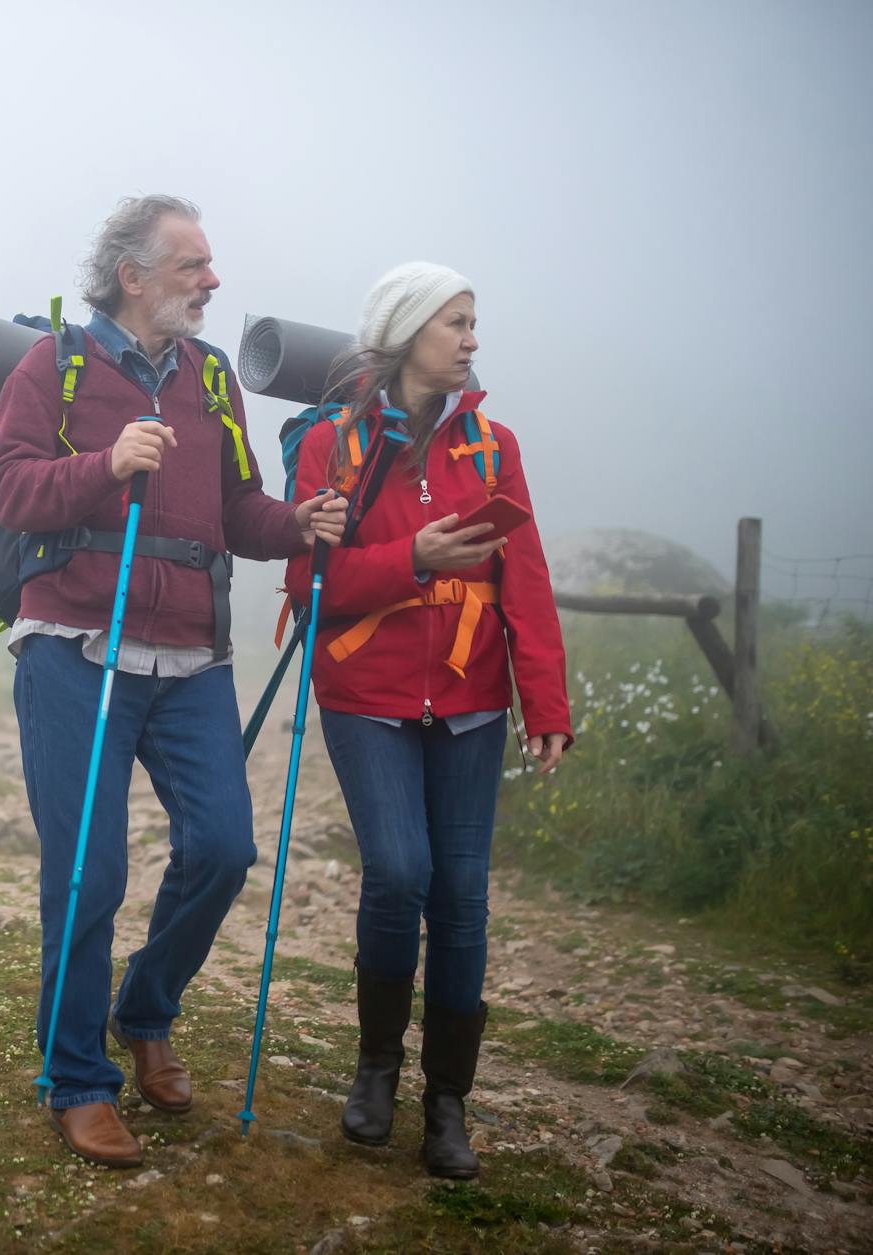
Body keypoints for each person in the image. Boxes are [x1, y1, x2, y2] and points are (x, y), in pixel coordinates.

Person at [0, 195, 345, 1168]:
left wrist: (296, 523)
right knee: (89, 872)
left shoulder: (211, 377)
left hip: (190, 658)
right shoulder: (53, 366)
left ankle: (143, 1010)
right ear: (132, 275)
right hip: (74, 646)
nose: (211, 280)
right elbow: (8, 489)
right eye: (192, 264)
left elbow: (235, 507)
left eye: (210, 264)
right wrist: (106, 465)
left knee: (223, 848)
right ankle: (76, 1078)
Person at [283, 262, 573, 1178]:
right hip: (364, 692)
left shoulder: (493, 447)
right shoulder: (331, 445)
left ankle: (447, 1103)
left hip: (472, 699)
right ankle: (376, 1068)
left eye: (473, 322)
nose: (472, 339)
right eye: (456, 322)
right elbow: (308, 584)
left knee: (462, 896)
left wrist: (546, 701)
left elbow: (525, 576)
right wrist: (410, 556)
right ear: (407, 333)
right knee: (400, 871)